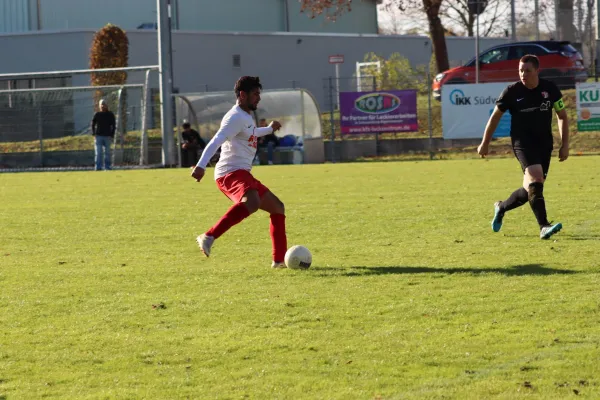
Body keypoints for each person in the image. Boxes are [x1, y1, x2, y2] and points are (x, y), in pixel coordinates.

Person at [190, 76, 287, 268]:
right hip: (230, 173)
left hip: (242, 173)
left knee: (278, 207)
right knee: (252, 202)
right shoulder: (235, 117)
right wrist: (201, 165)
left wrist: (268, 129)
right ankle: (209, 236)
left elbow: (250, 133)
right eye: (255, 94)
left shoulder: (245, 116)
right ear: (242, 95)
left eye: (259, 94)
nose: (258, 98)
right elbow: (216, 140)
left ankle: (279, 261)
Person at [477, 54, 569, 240]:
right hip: (522, 143)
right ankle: (544, 226)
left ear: (537, 71)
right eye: (520, 70)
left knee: (532, 189)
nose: (523, 74)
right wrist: (485, 142)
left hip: (544, 144)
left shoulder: (549, 89)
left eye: (527, 70)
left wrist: (564, 145)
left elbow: (562, 116)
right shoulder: (511, 92)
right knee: (536, 178)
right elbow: (495, 117)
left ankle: (501, 207)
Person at [91, 99, 116, 171]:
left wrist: (112, 134)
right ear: (99, 106)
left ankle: (107, 167)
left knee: (107, 153)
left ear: (107, 105)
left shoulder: (110, 115)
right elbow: (93, 123)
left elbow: (113, 125)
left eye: (104, 104)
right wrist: (94, 133)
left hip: (107, 136)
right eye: (101, 105)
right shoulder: (97, 114)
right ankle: (98, 167)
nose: (103, 106)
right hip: (98, 136)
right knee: (98, 153)